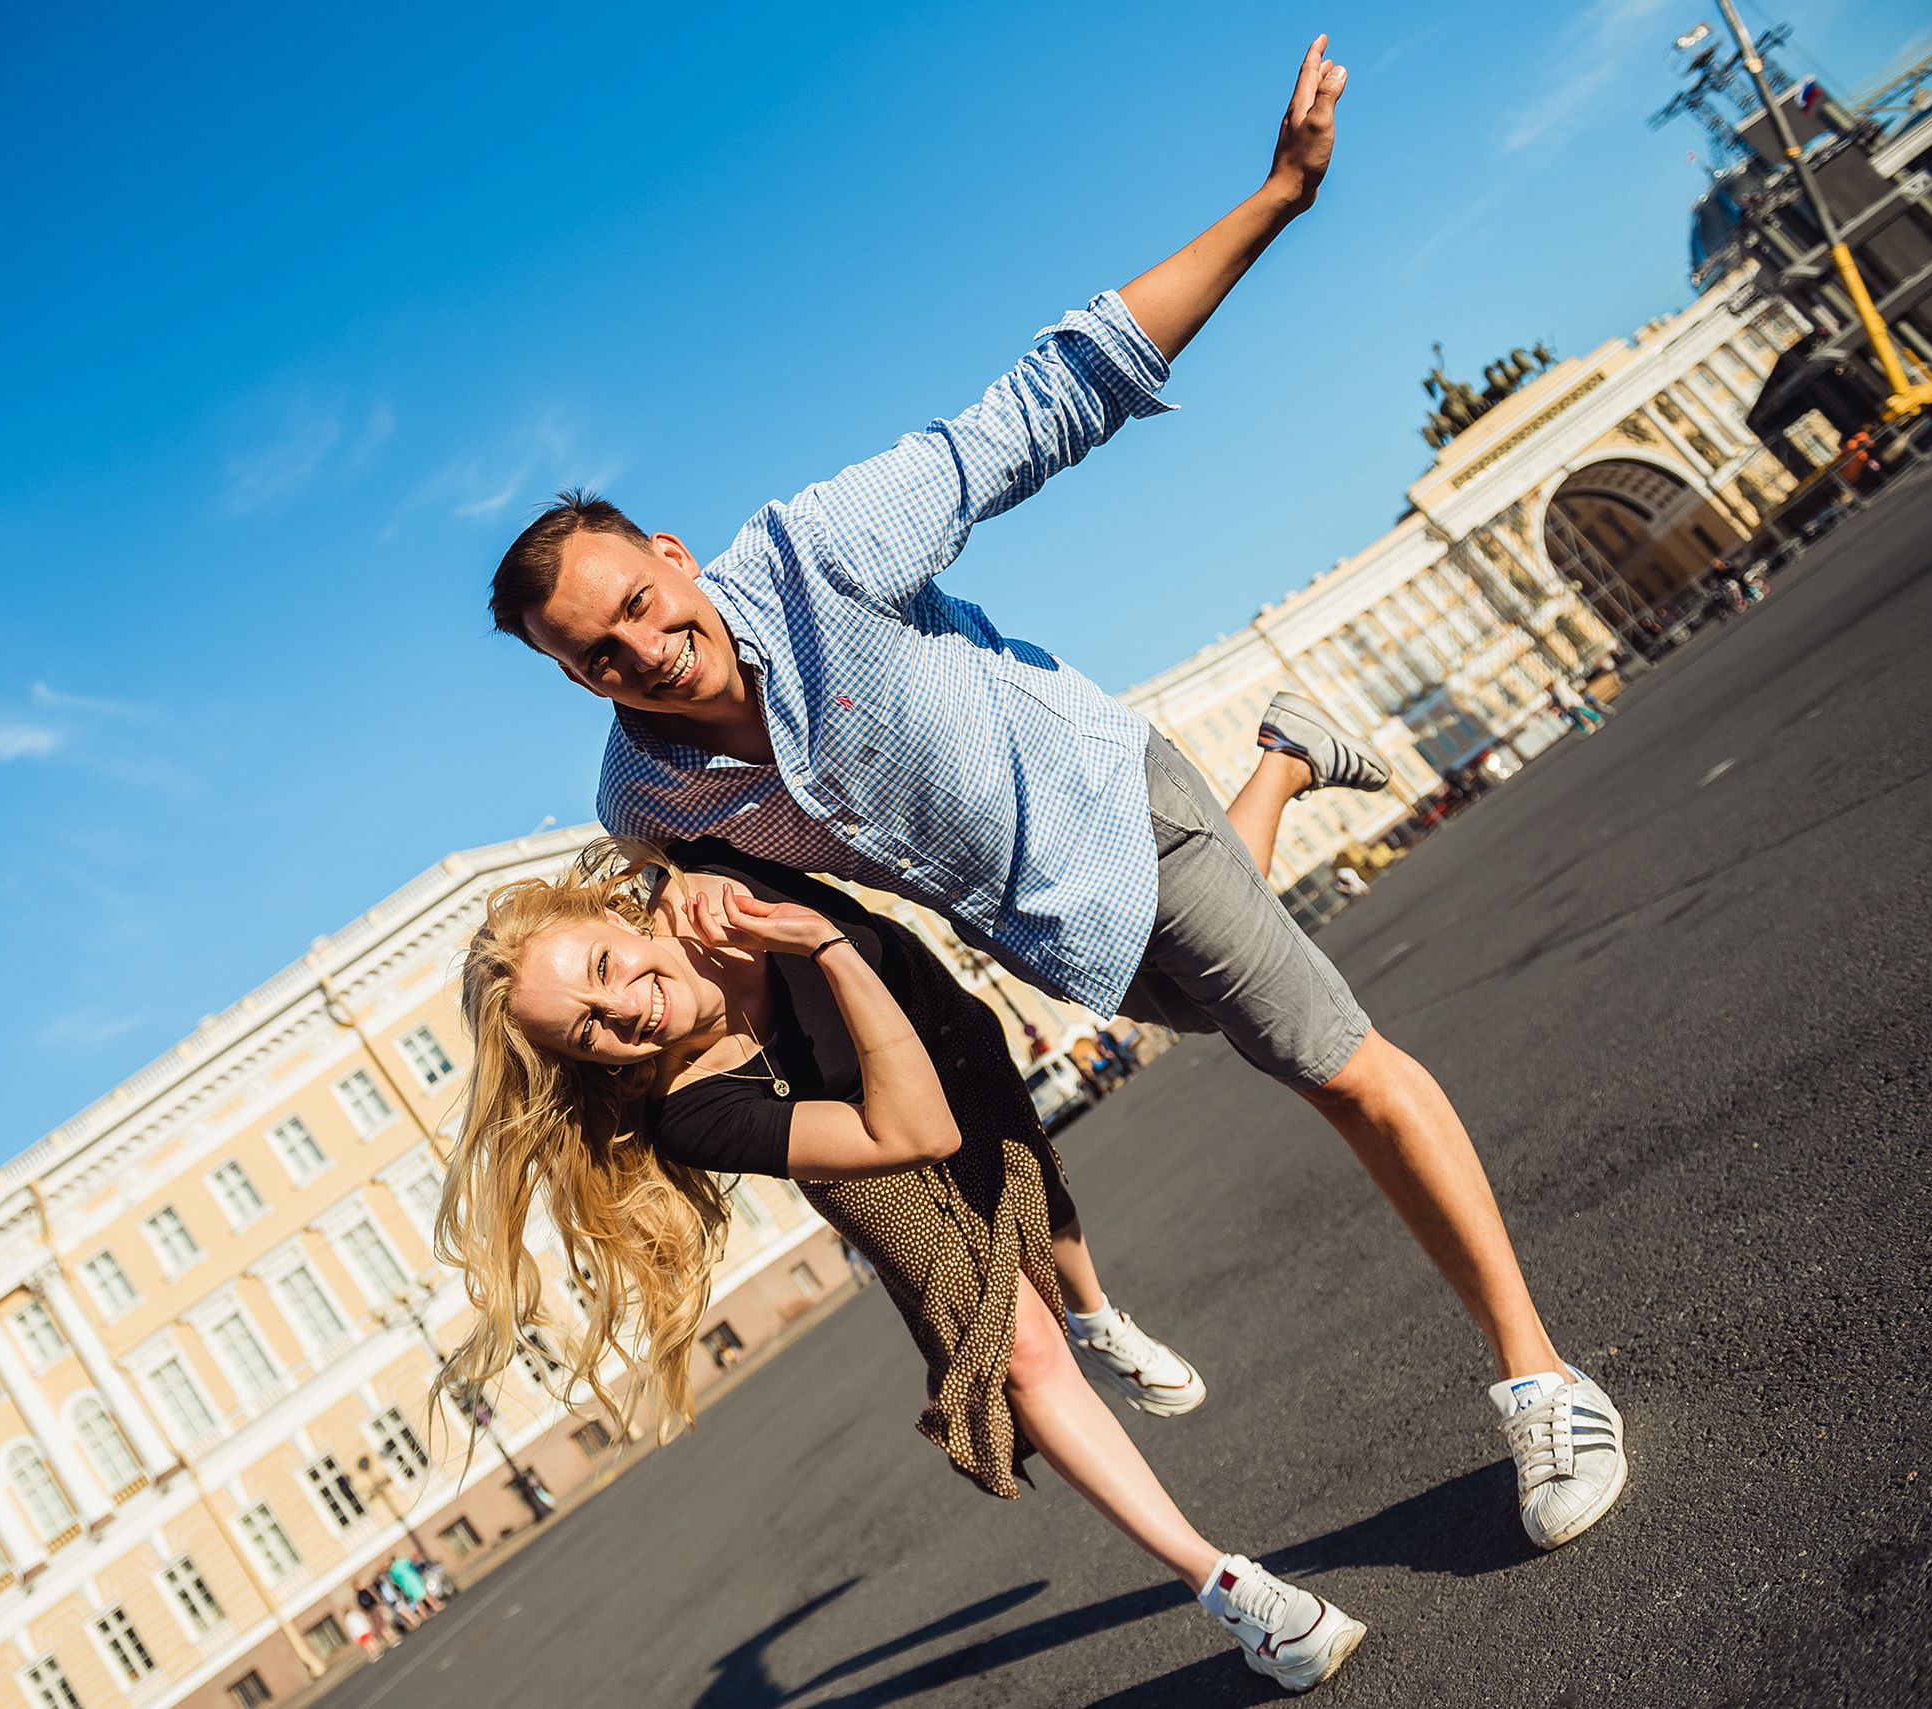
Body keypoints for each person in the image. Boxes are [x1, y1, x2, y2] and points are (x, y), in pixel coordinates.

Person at [484, 33, 1624, 1554]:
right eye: (595, 649)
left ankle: (1544, 1381)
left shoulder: (823, 552)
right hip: (1048, 931)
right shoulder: (647, 792)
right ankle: (1286, 752)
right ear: (573, 677)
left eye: (638, 599)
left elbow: (1046, 399)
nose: (641, 644)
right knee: (1246, 992)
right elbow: (656, 918)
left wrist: (1279, 196)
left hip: (1112, 802)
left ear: (678, 557)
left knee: (1334, 1061)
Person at [437, 841, 1367, 1691]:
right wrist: (825, 948)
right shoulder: (688, 1107)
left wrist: (675, 867)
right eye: (590, 1028)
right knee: (1016, 1350)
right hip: (877, 1165)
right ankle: (1232, 1590)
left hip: (944, 1033)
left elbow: (649, 777)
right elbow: (913, 1132)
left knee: (1036, 1197)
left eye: (604, 966)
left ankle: (1099, 1317)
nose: (627, 1005)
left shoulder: (702, 881)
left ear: (615, 914)